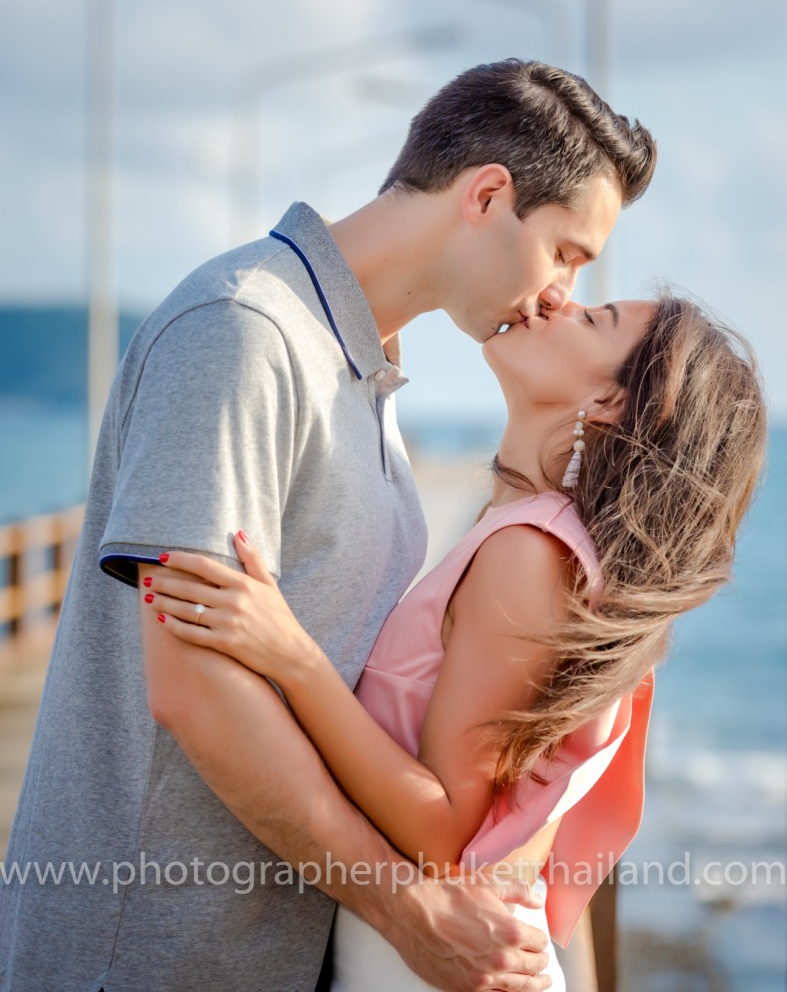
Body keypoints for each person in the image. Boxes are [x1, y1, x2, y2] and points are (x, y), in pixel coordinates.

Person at [0, 60, 657, 992]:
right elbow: (193, 689)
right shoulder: (244, 333)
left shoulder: (368, 377)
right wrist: (406, 908)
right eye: (566, 253)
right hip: (146, 949)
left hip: (266, 953)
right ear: (486, 194)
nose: (557, 293)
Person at [144, 291, 767, 991]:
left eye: (592, 320)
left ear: (606, 404)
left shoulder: (529, 554)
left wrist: (289, 653)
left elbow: (442, 834)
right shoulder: (530, 534)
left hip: (431, 961)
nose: (559, 299)